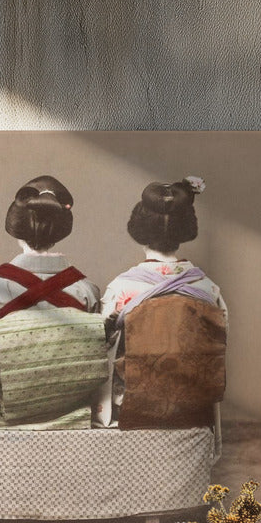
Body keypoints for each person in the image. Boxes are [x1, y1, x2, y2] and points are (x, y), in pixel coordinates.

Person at [0, 175, 106, 429]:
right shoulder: (87, 291)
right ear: (60, 232)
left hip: (7, 417)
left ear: (16, 230)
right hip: (75, 422)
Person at [98, 176, 227, 428]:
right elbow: (218, 345)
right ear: (185, 230)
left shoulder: (122, 288)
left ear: (139, 230)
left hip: (133, 409)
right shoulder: (208, 289)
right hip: (192, 411)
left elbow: (102, 347)